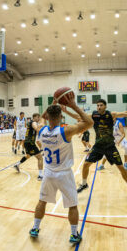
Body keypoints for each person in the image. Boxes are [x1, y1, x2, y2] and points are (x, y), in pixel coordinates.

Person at [29, 93, 93, 243]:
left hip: (49, 173)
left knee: (42, 201)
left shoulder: (42, 130)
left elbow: (45, 116)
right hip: (64, 174)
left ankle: (35, 228)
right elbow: (89, 123)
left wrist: (53, 103)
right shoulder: (66, 131)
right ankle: (73, 234)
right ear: (60, 117)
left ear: (48, 117)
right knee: (72, 205)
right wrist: (73, 106)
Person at [65, 98, 127, 196]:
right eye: (98, 105)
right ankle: (84, 184)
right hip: (98, 146)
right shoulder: (94, 115)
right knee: (86, 164)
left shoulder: (111, 114)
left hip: (110, 146)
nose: (99, 107)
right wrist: (66, 111)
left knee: (121, 167)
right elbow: (78, 116)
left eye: (101, 105)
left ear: (105, 106)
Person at [14, 113, 44, 180]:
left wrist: (40, 125)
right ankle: (40, 176)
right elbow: (37, 129)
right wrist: (41, 126)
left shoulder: (30, 123)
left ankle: (17, 164)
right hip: (30, 143)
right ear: (35, 117)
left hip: (27, 143)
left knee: (28, 156)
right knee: (40, 158)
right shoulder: (33, 122)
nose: (39, 119)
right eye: (38, 118)